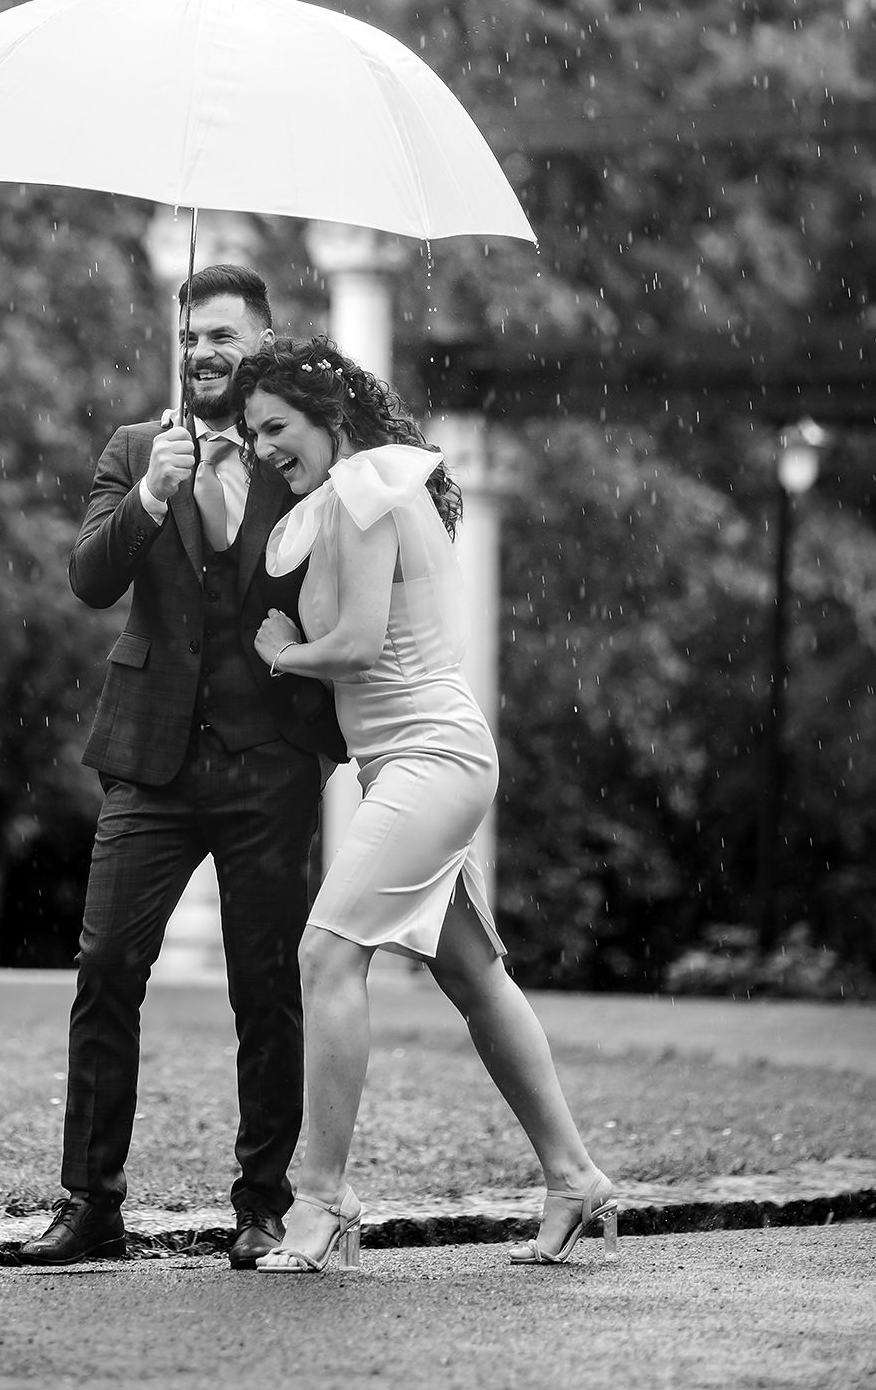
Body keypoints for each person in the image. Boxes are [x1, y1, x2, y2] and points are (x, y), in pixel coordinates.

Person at [235, 333, 617, 1274]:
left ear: (328, 417)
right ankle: (575, 1177)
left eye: (276, 427)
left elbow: (360, 644)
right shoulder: (346, 495)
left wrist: (281, 652)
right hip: (405, 764)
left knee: (327, 953)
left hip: (429, 757)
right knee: (474, 977)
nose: (265, 447)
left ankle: (321, 1201)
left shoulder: (365, 492)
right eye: (253, 434)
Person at [19, 266, 347, 1270]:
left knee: (266, 987)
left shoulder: (299, 455)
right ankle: (91, 1203)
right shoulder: (133, 449)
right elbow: (90, 579)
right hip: (149, 760)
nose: (202, 352)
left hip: (268, 763)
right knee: (107, 968)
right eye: (191, 336)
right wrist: (154, 492)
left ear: (263, 343)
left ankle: (264, 1205)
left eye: (222, 335)